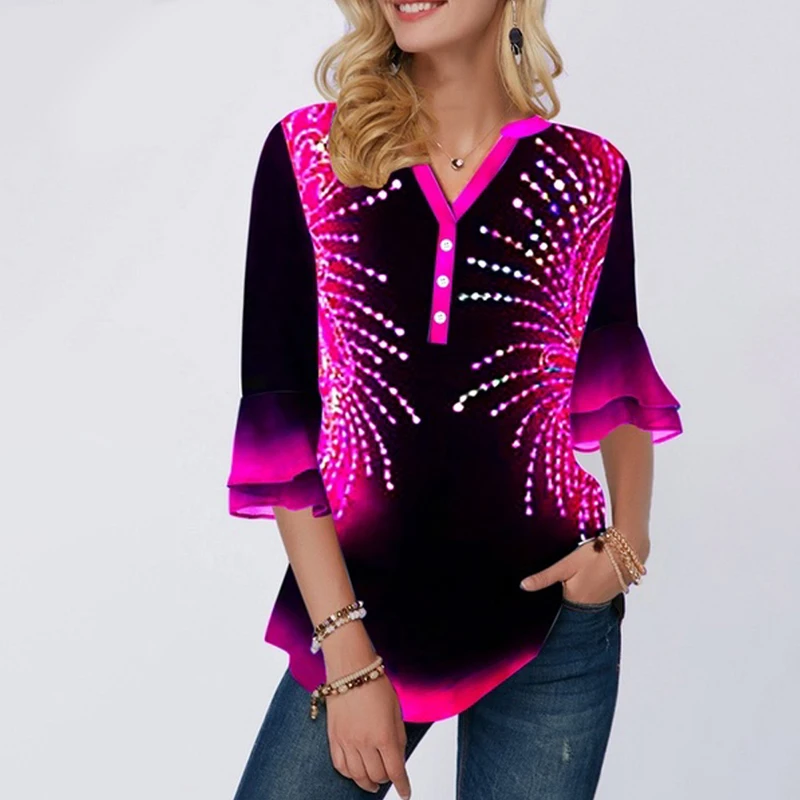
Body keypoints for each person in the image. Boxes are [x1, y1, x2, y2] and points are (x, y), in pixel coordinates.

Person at [225, 1, 683, 798]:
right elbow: (279, 410)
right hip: (361, 612)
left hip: (554, 619)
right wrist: (346, 656)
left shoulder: (588, 173)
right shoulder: (314, 154)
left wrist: (626, 545)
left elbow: (614, 371)